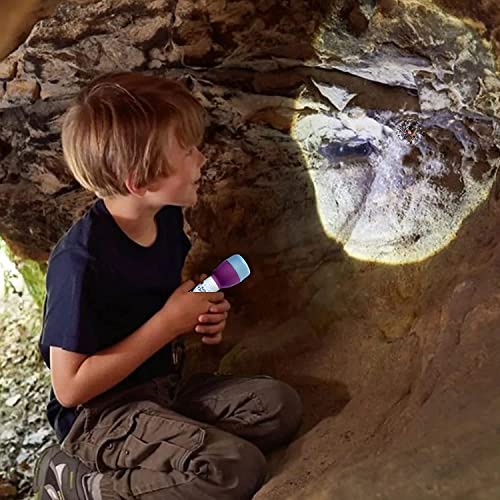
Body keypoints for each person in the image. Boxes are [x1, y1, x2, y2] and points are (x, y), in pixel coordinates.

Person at [33, 72, 303, 500]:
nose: (201, 158)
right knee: (235, 468)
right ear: (139, 182)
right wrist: (166, 324)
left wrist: (198, 312)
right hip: (100, 416)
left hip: (162, 388)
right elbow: (69, 389)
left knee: (277, 406)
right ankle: (78, 484)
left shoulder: (165, 219)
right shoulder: (80, 263)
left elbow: (156, 301)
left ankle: (174, 445)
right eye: (187, 150)